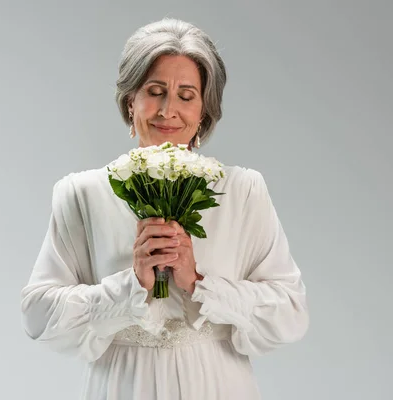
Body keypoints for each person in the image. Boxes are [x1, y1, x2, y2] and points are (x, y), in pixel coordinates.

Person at [20, 18, 309, 400]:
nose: (168, 110)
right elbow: (38, 314)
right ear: (130, 100)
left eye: (186, 95)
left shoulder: (242, 190)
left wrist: (199, 283)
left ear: (204, 110)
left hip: (219, 385)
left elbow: (291, 311)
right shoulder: (82, 193)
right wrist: (129, 285)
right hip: (122, 385)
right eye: (155, 91)